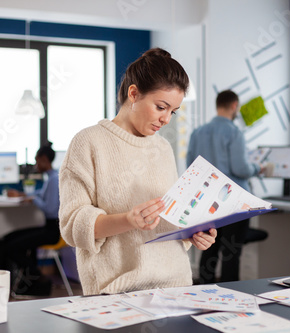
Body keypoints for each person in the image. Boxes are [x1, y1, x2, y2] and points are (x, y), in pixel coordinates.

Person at [59, 48, 217, 296]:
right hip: (116, 294)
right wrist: (128, 220)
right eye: (161, 107)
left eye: (172, 112)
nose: (166, 119)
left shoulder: (163, 148)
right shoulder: (88, 143)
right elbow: (72, 227)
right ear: (133, 93)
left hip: (177, 288)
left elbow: (167, 221)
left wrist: (192, 234)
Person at [186, 90, 264, 284]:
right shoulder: (234, 132)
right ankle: (232, 295)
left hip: (206, 203)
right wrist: (257, 168)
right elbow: (241, 168)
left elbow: (191, 168)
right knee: (231, 253)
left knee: (208, 249)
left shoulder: (198, 132)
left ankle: (203, 291)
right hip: (233, 202)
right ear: (234, 106)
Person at [4, 142, 60, 296]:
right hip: (48, 227)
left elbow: (49, 208)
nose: (36, 164)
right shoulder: (49, 178)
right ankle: (29, 281)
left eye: (37, 160)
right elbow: (39, 194)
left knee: (12, 246)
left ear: (43, 159)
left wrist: (32, 200)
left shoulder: (55, 179)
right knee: (9, 237)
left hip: (53, 230)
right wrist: (23, 195)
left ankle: (37, 278)